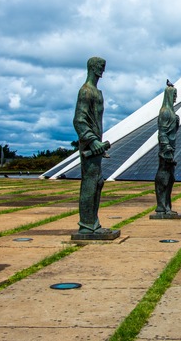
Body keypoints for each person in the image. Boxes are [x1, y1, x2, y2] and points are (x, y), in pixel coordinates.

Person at [73, 57, 112, 234]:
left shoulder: (97, 92)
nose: (102, 70)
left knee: (97, 183)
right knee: (89, 183)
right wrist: (92, 140)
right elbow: (79, 120)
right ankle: (87, 225)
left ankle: (93, 223)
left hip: (96, 147)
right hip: (89, 146)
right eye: (100, 67)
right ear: (93, 68)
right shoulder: (86, 91)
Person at [154, 80, 181, 218]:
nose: (176, 97)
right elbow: (162, 133)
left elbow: (172, 131)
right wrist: (167, 149)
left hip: (171, 149)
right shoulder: (165, 112)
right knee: (164, 178)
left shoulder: (172, 112)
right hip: (166, 152)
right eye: (174, 94)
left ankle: (167, 206)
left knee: (171, 178)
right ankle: (161, 207)